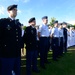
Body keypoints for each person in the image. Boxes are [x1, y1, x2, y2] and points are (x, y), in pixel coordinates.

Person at [0, 4, 24, 75]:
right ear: (8, 11)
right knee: (6, 72)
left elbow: (19, 37)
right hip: (6, 54)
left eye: (16, 10)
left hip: (17, 53)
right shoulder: (3, 22)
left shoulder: (18, 24)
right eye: (14, 10)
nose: (16, 11)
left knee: (17, 71)